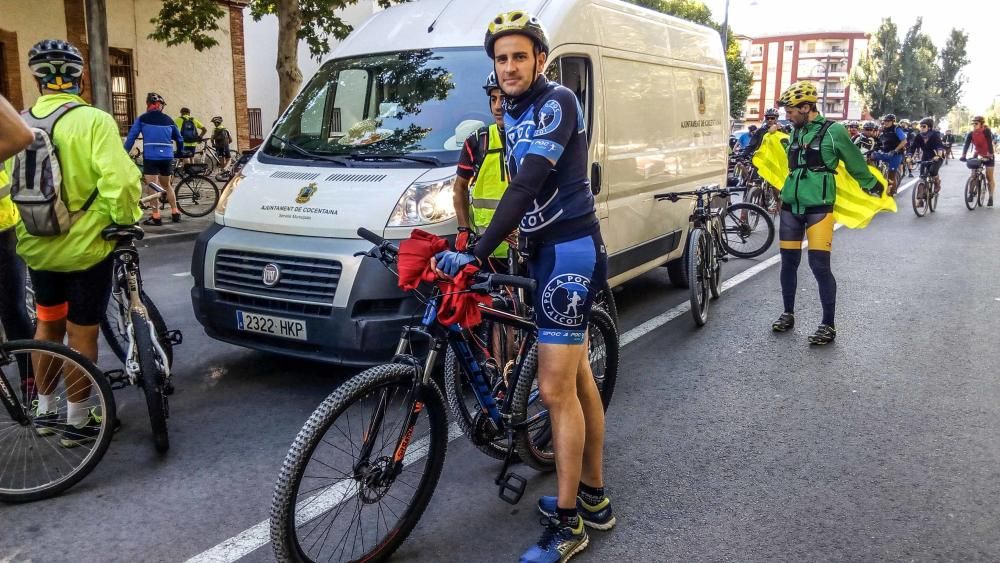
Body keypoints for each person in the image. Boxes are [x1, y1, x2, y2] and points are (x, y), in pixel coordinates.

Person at [433, 11, 611, 562]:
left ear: (540, 59)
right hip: (541, 256)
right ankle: (595, 498)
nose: (509, 66)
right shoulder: (510, 112)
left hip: (571, 255)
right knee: (578, 380)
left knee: (555, 391)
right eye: (501, 58)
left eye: (519, 56)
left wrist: (475, 250)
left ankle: (569, 524)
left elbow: (529, 183)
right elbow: (515, 197)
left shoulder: (558, 102)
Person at [5, 39, 142, 446]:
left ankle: (45, 411)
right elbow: (120, 182)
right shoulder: (94, 121)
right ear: (78, 76)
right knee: (82, 332)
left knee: (46, 324)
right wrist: (124, 221)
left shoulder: (20, 121)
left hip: (37, 243)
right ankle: (80, 419)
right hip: (86, 247)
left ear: (37, 79)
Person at [772, 81, 880, 346]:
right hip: (790, 207)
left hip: (819, 208)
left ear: (807, 107)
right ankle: (788, 313)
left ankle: (827, 325)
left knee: (819, 266)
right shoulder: (795, 132)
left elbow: (855, 162)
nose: (787, 115)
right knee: (788, 263)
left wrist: (872, 185)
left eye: (791, 110)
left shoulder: (834, 131)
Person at [453, 72, 510, 263]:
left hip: (527, 249)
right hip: (486, 250)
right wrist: (463, 229)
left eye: (504, 99)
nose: (497, 106)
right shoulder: (478, 141)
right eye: (493, 99)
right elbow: (459, 187)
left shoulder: (533, 139)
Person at [0, 93, 35, 349]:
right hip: (4, 224)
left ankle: (30, 382)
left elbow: (22, 137)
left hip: (3, 224)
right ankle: (31, 384)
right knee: (13, 309)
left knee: (13, 309)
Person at [124, 92, 184, 225]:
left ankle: (156, 216)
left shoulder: (142, 119)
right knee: (167, 185)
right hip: (167, 156)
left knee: (152, 186)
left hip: (151, 157)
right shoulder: (169, 120)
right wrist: (180, 152)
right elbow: (179, 139)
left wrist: (124, 153)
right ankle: (175, 212)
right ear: (159, 105)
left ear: (148, 104)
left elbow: (131, 137)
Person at [907, 117, 945, 200]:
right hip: (925, 156)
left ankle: (937, 183)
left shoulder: (934, 135)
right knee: (922, 177)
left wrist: (938, 156)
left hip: (936, 156)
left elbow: (939, 146)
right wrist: (909, 157)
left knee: (932, 172)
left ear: (929, 127)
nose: (921, 128)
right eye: (920, 126)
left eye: (924, 126)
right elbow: (913, 147)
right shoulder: (919, 136)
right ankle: (920, 199)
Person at [961, 115, 996, 206]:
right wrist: (963, 155)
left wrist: (990, 155)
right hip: (978, 154)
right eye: (973, 123)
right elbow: (966, 145)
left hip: (989, 154)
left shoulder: (986, 131)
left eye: (976, 123)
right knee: (973, 175)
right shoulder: (971, 133)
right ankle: (971, 193)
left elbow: (989, 143)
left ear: (981, 124)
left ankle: (991, 197)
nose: (974, 125)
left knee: (989, 177)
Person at [870, 114, 907, 196]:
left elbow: (904, 141)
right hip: (885, 152)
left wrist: (895, 150)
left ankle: (892, 192)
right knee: (870, 157)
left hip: (895, 154)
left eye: (888, 121)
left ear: (893, 121)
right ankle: (876, 177)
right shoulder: (882, 129)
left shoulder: (897, 129)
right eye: (885, 121)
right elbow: (878, 139)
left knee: (891, 174)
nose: (885, 123)